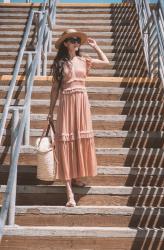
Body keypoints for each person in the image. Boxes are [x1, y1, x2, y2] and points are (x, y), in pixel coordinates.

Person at [48, 28, 110, 207]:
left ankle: (75, 178)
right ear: (65, 43)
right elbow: (54, 91)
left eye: (77, 40)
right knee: (66, 143)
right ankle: (69, 193)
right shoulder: (59, 63)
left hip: (82, 102)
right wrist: (50, 112)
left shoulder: (84, 60)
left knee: (79, 140)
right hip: (67, 102)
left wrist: (96, 46)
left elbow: (106, 62)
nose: (76, 42)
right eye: (72, 40)